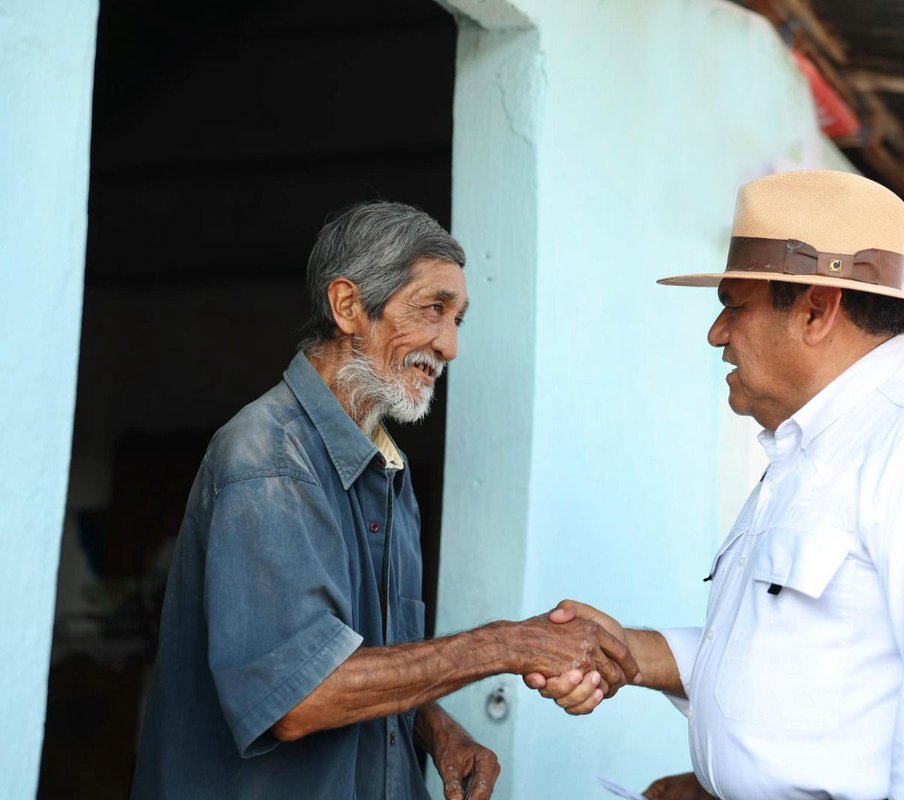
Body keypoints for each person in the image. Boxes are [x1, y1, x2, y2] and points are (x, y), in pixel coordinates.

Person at [527, 171, 904, 799]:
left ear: (815, 310)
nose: (717, 333)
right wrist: (630, 653)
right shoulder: (816, 445)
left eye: (735, 305)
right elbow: (793, 664)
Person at [131, 202, 639, 800]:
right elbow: (298, 697)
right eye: (433, 309)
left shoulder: (384, 466)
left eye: (457, 319)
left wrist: (438, 730)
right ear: (348, 306)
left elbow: (365, 660)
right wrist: (509, 644)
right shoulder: (269, 459)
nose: (449, 345)